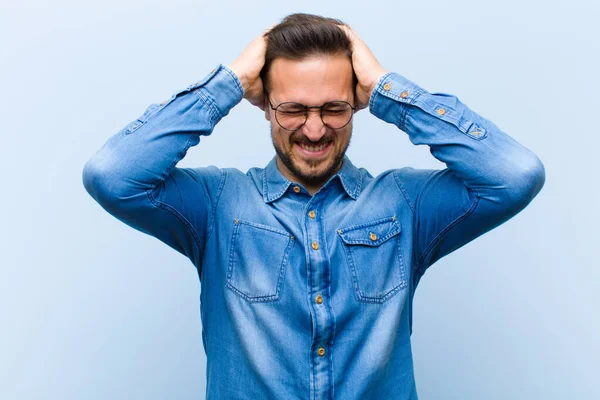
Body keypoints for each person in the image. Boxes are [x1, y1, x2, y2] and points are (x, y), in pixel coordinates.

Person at [82, 13, 545, 400]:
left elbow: (515, 174)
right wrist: (229, 84)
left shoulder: (405, 204)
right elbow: (112, 175)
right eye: (294, 110)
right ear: (264, 106)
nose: (315, 129)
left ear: (357, 105)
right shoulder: (216, 204)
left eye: (333, 108)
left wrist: (388, 89)